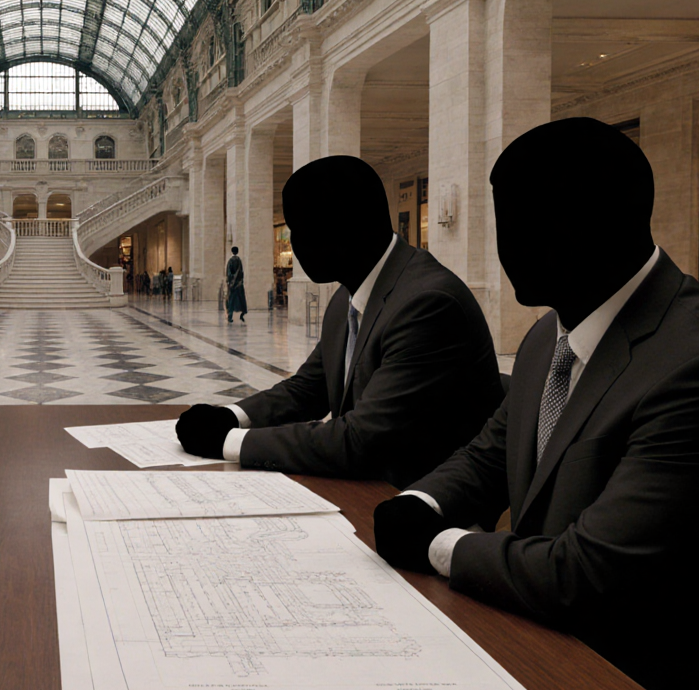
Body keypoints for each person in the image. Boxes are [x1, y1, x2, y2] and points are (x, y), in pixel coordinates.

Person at [372, 118, 699, 690]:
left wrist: (440, 545)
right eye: (503, 222)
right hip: (544, 642)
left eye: (532, 222)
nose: (507, 246)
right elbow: (491, 453)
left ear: (605, 221)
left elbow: (586, 574)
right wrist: (422, 502)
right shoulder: (549, 334)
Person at [177, 156, 504, 489]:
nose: (294, 245)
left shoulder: (427, 304)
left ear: (344, 227)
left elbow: (360, 440)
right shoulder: (346, 298)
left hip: (419, 502)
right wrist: (231, 416)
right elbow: (307, 389)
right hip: (368, 486)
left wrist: (229, 442)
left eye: (302, 229)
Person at [226, 247, 247, 322]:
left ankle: (230, 316)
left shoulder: (230, 261)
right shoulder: (239, 261)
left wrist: (230, 281)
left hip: (232, 284)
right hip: (239, 283)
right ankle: (242, 314)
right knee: (241, 299)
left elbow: (228, 273)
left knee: (231, 300)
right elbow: (241, 272)